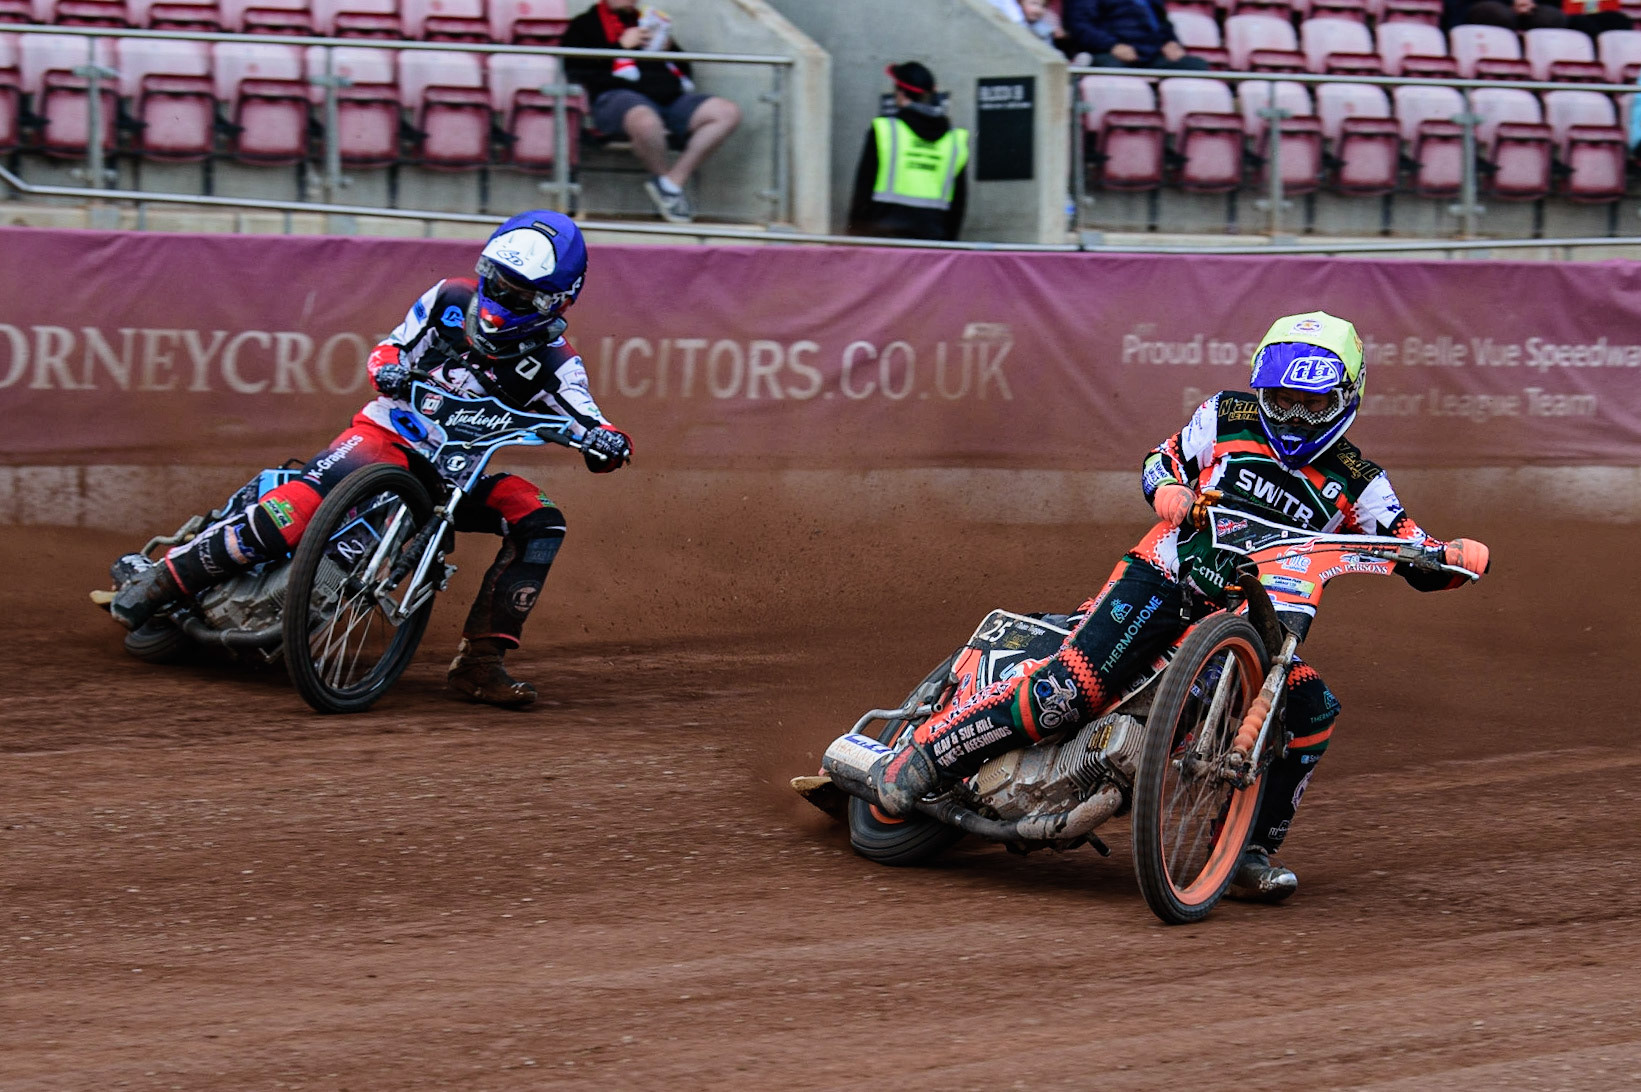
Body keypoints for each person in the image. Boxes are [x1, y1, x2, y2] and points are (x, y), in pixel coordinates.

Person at [870, 311, 1491, 902]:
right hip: (1166, 577)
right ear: (1261, 388)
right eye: (1284, 399)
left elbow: (1411, 547)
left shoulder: (1361, 480)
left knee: (1312, 711)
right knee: (1072, 689)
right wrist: (1168, 492)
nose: (1297, 415)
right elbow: (1160, 462)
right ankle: (927, 756)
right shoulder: (1226, 415)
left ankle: (1247, 852)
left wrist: (1454, 561)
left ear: (1348, 399)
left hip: (1256, 623)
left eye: (1315, 403)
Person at [110, 210, 634, 709]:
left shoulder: (557, 366)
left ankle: (481, 661)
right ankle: (159, 581)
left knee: (541, 518)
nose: (499, 298)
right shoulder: (452, 297)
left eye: (518, 295)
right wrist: (386, 370)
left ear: (555, 302)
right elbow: (391, 348)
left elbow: (590, 419)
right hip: (387, 436)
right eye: (496, 282)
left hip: (459, 473)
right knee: (294, 514)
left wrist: (608, 443)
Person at [561, 0, 743, 224]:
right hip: (616, 97)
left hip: (669, 97)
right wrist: (620, 48)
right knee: (646, 120)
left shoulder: (649, 20)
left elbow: (686, 71)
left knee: (726, 112)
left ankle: (671, 184)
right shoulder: (584, 25)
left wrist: (669, 49)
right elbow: (575, 69)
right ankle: (663, 178)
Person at [845, 62, 970, 242]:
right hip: (932, 244)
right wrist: (948, 247)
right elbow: (958, 205)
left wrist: (853, 239)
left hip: (883, 242)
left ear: (901, 94)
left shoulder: (884, 131)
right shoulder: (955, 140)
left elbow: (863, 190)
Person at [1064, 0, 1211, 71]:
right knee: (1111, 69)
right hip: (1110, 53)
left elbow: (1163, 24)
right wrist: (1112, 46)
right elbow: (1079, 27)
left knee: (1196, 66)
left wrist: (1171, 42)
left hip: (1151, 53)